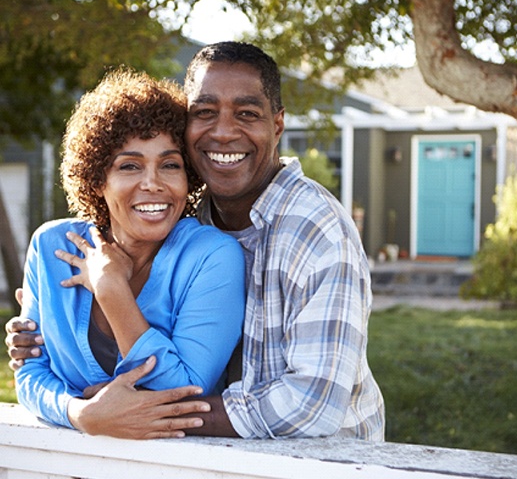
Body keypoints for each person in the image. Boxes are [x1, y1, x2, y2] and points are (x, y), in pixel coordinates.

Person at [6, 41, 385, 440]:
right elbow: (32, 369)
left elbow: (314, 405)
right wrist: (81, 412)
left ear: (277, 125)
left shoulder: (317, 232)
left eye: (246, 113)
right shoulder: (196, 213)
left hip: (328, 460)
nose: (222, 132)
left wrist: (135, 412)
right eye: (204, 113)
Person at [11, 68, 246, 431]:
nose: (152, 184)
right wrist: (81, 413)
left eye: (170, 165)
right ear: (97, 179)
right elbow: (29, 375)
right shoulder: (51, 247)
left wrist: (110, 288)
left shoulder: (211, 257)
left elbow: (184, 392)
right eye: (130, 166)